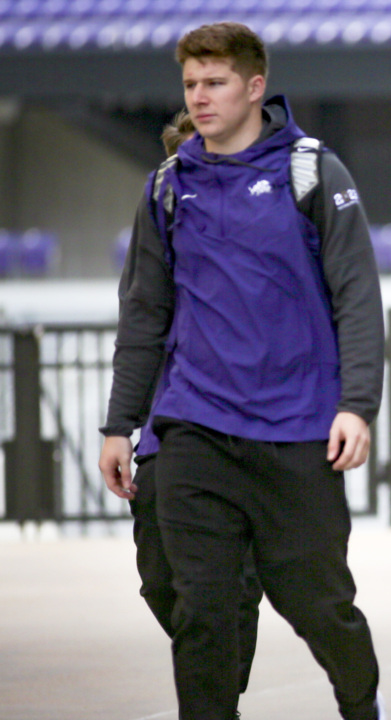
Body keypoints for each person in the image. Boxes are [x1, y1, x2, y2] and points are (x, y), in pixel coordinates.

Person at [98, 22, 386, 720]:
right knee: (202, 608)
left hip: (296, 429)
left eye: (215, 82)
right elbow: (144, 314)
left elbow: (357, 294)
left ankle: (361, 704)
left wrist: (357, 404)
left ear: (254, 87)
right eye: (191, 84)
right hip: (194, 425)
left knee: (319, 604)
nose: (200, 97)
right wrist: (119, 425)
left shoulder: (313, 171)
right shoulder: (168, 187)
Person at [121, 107, 264, 700]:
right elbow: (137, 334)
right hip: (164, 436)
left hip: (249, 437)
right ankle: (213, 675)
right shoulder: (159, 235)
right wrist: (118, 427)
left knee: (237, 584)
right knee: (160, 580)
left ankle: (217, 698)